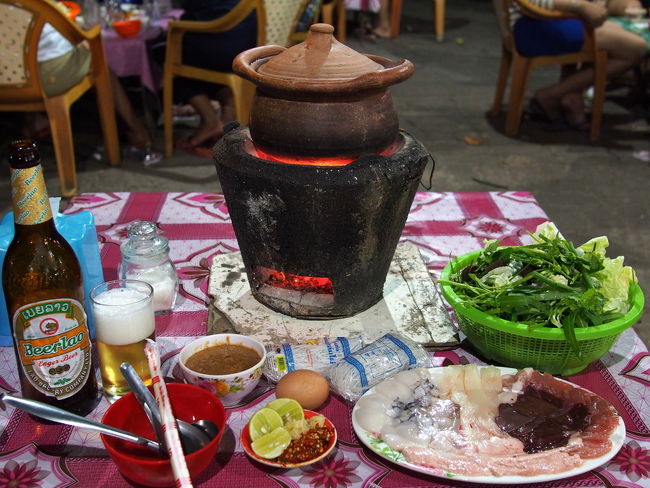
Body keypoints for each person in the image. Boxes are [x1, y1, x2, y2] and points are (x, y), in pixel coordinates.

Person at [36, 23, 162, 164]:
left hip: (13, 80)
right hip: (49, 76)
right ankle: (137, 130)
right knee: (98, 60)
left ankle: (34, 120)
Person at [512, 0, 647, 129]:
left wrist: (623, 5)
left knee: (628, 34)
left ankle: (570, 95)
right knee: (635, 48)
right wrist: (579, 6)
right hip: (536, 26)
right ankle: (550, 95)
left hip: (557, 19)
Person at [172, 0, 258, 156]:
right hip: (253, 40)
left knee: (164, 54)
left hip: (220, 38)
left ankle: (210, 120)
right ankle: (228, 121)